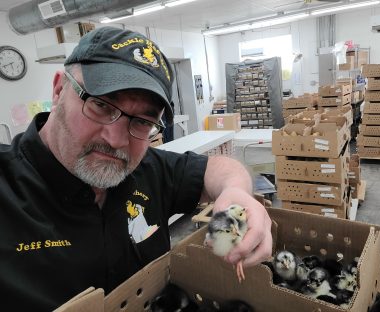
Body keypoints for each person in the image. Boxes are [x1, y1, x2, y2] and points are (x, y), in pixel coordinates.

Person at [0, 26, 272, 310]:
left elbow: (219, 169)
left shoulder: (147, 168)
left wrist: (237, 192)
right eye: (101, 105)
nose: (117, 140)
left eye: (142, 121)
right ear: (58, 90)